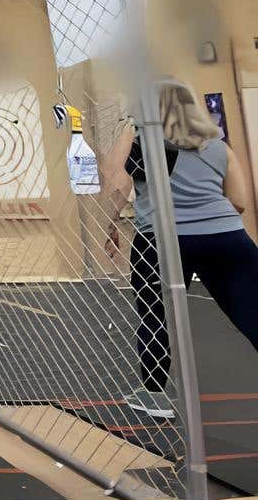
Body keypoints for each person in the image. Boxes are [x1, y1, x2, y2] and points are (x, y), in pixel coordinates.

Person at [104, 78, 258, 419]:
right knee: (254, 310)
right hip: (226, 237)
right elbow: (240, 202)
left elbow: (116, 182)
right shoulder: (218, 145)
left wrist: (110, 223)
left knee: (155, 315)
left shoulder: (144, 141)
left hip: (160, 238)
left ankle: (156, 396)